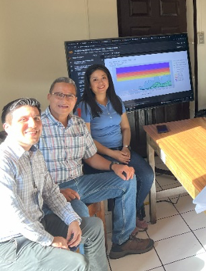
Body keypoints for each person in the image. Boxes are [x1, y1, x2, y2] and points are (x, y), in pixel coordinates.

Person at [38, 77, 154, 259]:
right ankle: (86, 263)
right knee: (82, 216)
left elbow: (91, 158)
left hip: (80, 183)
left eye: (69, 96)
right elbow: (28, 172)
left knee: (127, 178)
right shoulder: (37, 127)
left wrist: (114, 166)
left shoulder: (78, 124)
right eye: (59, 94)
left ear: (75, 100)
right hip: (54, 189)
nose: (64, 100)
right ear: (49, 97)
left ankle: (122, 242)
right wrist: (55, 191)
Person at [0, 98, 108, 270]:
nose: (33, 124)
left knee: (93, 227)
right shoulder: (4, 161)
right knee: (77, 263)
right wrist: (49, 240)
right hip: (13, 243)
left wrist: (71, 220)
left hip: (39, 224)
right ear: (8, 128)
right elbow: (15, 215)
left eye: (36, 118)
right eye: (23, 119)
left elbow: (51, 192)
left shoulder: (34, 154)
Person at [76, 64, 154, 233]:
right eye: (95, 79)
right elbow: (87, 139)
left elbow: (126, 128)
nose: (100, 82)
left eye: (103, 77)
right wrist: (113, 154)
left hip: (121, 149)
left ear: (109, 80)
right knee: (127, 178)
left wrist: (125, 148)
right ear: (89, 85)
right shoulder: (84, 106)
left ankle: (131, 213)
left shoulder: (116, 101)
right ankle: (128, 220)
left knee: (147, 175)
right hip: (99, 154)